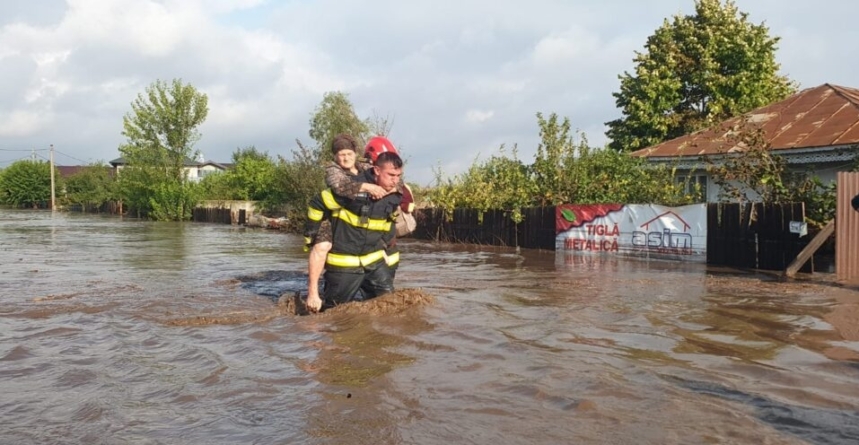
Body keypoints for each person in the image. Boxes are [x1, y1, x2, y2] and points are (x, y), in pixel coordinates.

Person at [304, 151, 405, 311]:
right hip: (345, 263)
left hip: (374, 262)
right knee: (334, 315)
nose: (395, 181)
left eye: (398, 175)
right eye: (391, 175)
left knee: (390, 308)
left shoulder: (394, 194)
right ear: (377, 170)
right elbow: (317, 203)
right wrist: (312, 234)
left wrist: (387, 248)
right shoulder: (351, 189)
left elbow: (389, 223)